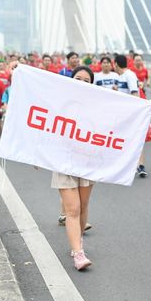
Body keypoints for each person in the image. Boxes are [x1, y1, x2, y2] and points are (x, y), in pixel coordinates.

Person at [52, 66, 97, 271]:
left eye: (86, 80)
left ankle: (78, 241)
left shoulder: (98, 106)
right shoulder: (60, 102)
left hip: (87, 162)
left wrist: (143, 107)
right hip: (63, 162)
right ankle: (78, 253)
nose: (81, 82)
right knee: (73, 209)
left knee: (83, 206)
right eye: (78, 78)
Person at [115, 54, 148, 178]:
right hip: (122, 113)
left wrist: (134, 112)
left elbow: (135, 93)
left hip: (130, 113)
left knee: (135, 138)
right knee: (124, 139)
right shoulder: (121, 76)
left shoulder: (129, 75)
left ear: (116, 64)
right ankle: (128, 165)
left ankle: (140, 165)